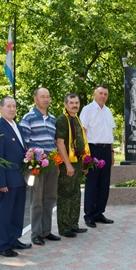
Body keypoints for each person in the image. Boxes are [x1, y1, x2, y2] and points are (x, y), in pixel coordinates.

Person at [0, 97, 32, 258]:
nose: (12, 109)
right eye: (8, 106)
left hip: (19, 177)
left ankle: (14, 239)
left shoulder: (18, 126)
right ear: (1, 109)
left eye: (14, 106)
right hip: (8, 178)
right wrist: (1, 182)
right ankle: (2, 244)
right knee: (5, 212)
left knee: (17, 211)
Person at [19, 88, 61, 246]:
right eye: (42, 96)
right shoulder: (28, 118)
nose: (46, 99)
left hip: (51, 163)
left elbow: (54, 142)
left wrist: (56, 164)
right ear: (35, 99)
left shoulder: (52, 119)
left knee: (50, 198)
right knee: (36, 199)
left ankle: (46, 231)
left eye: (48, 96)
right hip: (36, 164)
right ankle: (36, 234)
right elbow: (25, 143)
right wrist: (31, 164)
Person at [79, 85, 116, 228]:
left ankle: (99, 213)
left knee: (104, 184)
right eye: (100, 93)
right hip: (93, 149)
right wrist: (84, 155)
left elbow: (110, 134)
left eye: (105, 94)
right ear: (94, 94)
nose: (103, 96)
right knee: (92, 184)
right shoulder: (87, 110)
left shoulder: (108, 111)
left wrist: (112, 153)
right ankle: (89, 216)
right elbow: (83, 132)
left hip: (106, 150)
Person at [55, 94, 89, 238]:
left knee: (75, 194)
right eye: (71, 103)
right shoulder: (63, 120)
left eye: (76, 103)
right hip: (67, 164)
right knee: (65, 195)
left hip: (78, 162)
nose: (74, 105)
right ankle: (64, 227)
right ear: (65, 104)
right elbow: (60, 143)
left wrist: (84, 162)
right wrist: (68, 165)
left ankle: (73, 224)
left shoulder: (76, 119)